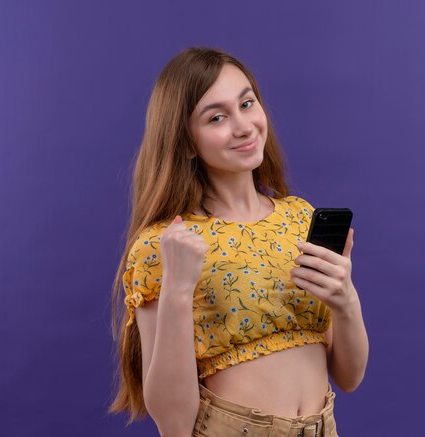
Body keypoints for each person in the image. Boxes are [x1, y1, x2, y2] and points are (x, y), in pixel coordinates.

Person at [109, 47, 369, 437]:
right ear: (186, 143)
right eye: (217, 117)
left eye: (247, 103)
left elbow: (349, 377)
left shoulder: (300, 218)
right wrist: (178, 290)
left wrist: (345, 299)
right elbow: (174, 425)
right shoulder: (164, 245)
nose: (244, 126)